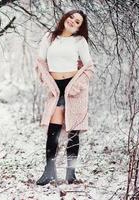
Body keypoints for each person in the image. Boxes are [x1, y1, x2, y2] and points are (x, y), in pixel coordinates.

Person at [34, 9, 95, 185]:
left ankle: (71, 174)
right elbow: (40, 63)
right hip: (56, 89)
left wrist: (75, 86)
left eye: (77, 22)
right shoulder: (49, 37)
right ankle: (49, 172)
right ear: (65, 17)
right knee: (52, 131)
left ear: (79, 28)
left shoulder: (79, 41)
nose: (73, 22)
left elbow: (89, 67)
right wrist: (48, 82)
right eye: (72, 18)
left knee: (73, 132)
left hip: (74, 88)